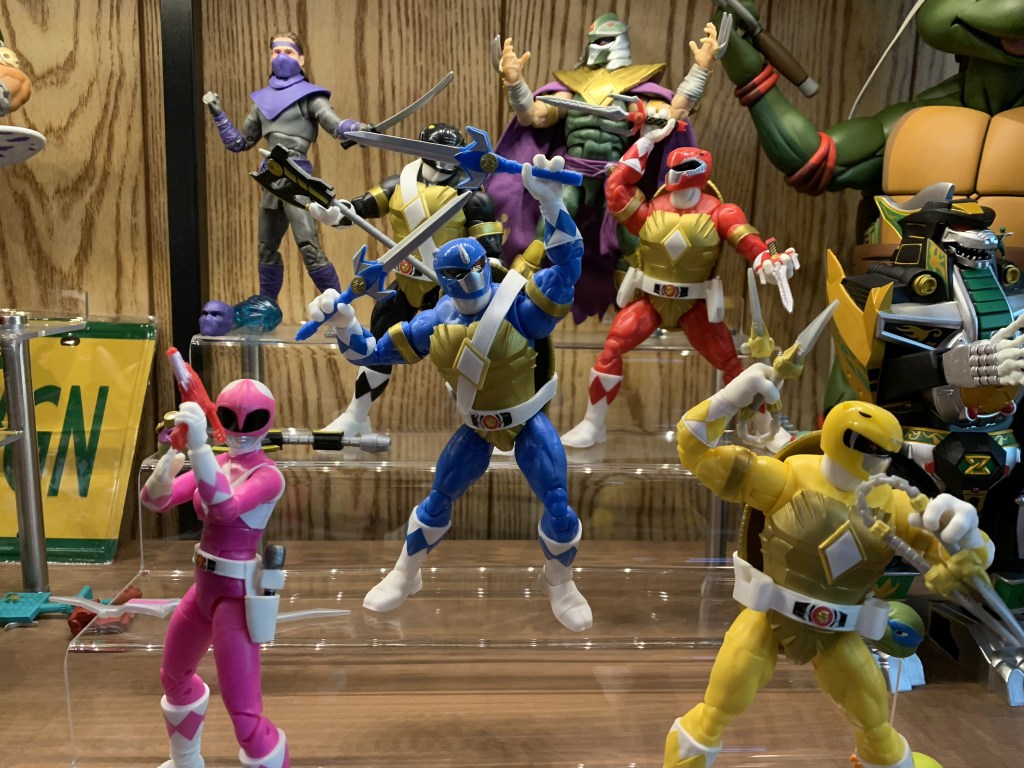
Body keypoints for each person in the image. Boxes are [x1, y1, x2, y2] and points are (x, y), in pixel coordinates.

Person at [307, 155, 592, 631]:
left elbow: (568, 268)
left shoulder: (520, 307)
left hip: (526, 422)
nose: (473, 279)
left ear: (485, 263)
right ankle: (406, 573)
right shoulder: (432, 322)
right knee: (438, 499)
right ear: (442, 279)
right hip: (476, 428)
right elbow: (369, 354)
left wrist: (552, 205)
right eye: (458, 274)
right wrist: (344, 321)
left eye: (477, 267)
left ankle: (559, 582)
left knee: (559, 507)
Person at [664, 362, 993, 768]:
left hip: (838, 633)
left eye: (883, 451)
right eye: (865, 445)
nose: (873, 458)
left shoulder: (896, 505)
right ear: (840, 438)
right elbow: (696, 452)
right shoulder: (788, 479)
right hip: (769, 617)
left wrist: (966, 537)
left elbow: (968, 567)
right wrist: (728, 399)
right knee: (716, 710)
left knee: (876, 727)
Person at [562, 111, 797, 448]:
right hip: (650, 302)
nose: (677, 173)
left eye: (684, 167)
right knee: (612, 348)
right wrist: (646, 141)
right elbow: (616, 188)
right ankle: (592, 424)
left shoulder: (720, 212)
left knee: (732, 365)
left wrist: (769, 263)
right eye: (674, 166)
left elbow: (751, 245)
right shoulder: (650, 210)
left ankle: (766, 428)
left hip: (693, 306)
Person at [309, 122, 503, 436]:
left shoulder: (473, 197)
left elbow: (491, 253)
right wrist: (335, 214)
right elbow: (357, 209)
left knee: (460, 356)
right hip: (403, 283)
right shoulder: (398, 185)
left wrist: (490, 290)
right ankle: (357, 415)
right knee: (378, 345)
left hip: (449, 290)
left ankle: (485, 424)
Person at [141, 380, 290, 768]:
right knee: (174, 678)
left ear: (267, 422)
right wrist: (168, 463)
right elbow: (155, 501)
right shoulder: (219, 464)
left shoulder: (268, 476)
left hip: (234, 597)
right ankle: (186, 761)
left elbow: (225, 508)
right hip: (203, 588)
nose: (240, 430)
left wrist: (200, 449)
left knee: (245, 717)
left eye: (252, 420)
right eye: (229, 417)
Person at [202, 31, 367, 330]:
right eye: (276, 51)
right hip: (270, 179)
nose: (281, 56)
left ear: (301, 59)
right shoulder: (261, 102)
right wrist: (218, 114)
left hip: (297, 179)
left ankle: (340, 312)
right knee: (266, 248)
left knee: (309, 248)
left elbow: (334, 124)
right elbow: (239, 143)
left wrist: (357, 129)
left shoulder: (310, 97)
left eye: (288, 51)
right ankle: (266, 310)